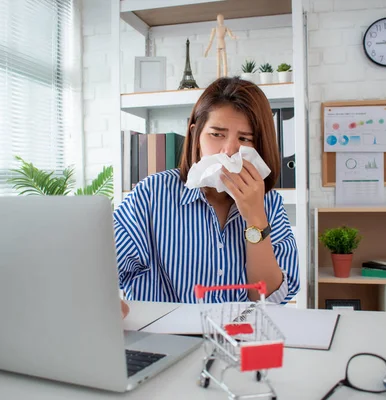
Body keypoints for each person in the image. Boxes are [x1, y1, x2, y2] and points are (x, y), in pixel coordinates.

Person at [114, 77, 300, 305]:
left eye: (244, 139)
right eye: (217, 134)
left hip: (239, 336)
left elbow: (270, 298)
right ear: (196, 136)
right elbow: (105, 267)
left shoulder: (269, 203)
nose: (229, 150)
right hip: (166, 338)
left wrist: (255, 217)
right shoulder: (152, 195)